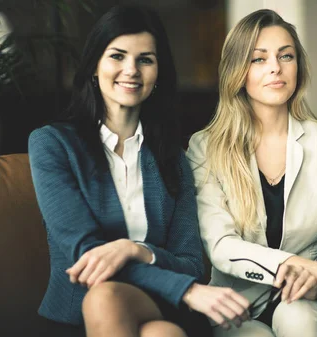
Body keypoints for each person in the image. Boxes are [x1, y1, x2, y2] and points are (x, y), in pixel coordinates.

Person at [28, 5, 249, 337]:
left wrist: (134, 249)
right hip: (79, 314)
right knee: (152, 328)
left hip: (159, 301)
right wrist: (187, 290)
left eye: (145, 59)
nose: (131, 70)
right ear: (94, 67)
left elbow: (189, 261)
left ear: (158, 73)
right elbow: (86, 257)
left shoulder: (173, 158)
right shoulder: (52, 145)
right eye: (117, 56)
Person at [186, 9, 317, 337]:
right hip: (236, 304)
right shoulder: (205, 147)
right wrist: (293, 266)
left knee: (299, 320)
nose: (275, 68)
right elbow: (221, 244)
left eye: (286, 56)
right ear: (237, 70)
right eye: (258, 59)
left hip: (314, 299)